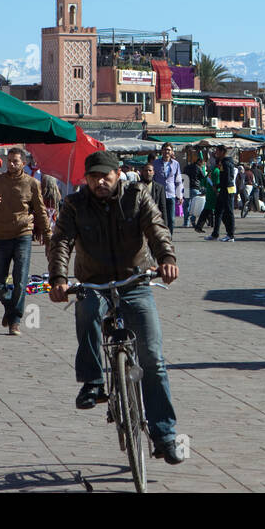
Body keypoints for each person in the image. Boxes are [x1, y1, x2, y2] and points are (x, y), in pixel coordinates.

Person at [47, 151, 187, 464]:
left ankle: (165, 435)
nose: (99, 182)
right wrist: (58, 278)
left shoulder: (137, 196)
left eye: (105, 176)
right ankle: (93, 383)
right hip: (93, 282)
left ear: (117, 174)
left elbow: (157, 229)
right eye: (93, 177)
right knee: (87, 310)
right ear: (86, 179)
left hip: (134, 281)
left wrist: (167, 259)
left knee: (152, 358)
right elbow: (61, 242)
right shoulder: (74, 205)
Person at [0, 146, 50, 335]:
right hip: (1, 235)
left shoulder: (32, 183)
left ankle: (15, 321)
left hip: (22, 234)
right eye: (9, 160)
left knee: (20, 280)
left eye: (15, 161)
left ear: (23, 164)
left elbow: (41, 211)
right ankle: (10, 308)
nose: (11, 164)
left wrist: (49, 236)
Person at [207, 145, 236, 241]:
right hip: (224, 189)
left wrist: (218, 186)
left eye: (217, 151)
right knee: (218, 211)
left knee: (228, 212)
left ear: (222, 152)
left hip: (227, 190)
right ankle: (215, 234)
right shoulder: (221, 162)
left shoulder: (226, 163)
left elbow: (227, 178)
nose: (216, 153)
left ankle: (230, 235)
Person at [151, 143, 181, 235]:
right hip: (158, 194)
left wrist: (180, 195)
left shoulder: (175, 164)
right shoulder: (155, 163)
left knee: (171, 219)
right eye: (165, 149)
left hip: (171, 194)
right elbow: (152, 179)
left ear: (171, 151)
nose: (166, 151)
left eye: (168, 150)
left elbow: (178, 180)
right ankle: (160, 236)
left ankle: (169, 237)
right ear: (162, 151)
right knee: (159, 217)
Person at [187, 153, 208, 230]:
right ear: (200, 162)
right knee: (195, 206)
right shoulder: (198, 167)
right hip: (195, 187)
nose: (202, 165)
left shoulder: (188, 167)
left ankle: (186, 222)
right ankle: (193, 221)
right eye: (202, 164)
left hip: (186, 187)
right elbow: (203, 177)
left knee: (187, 205)